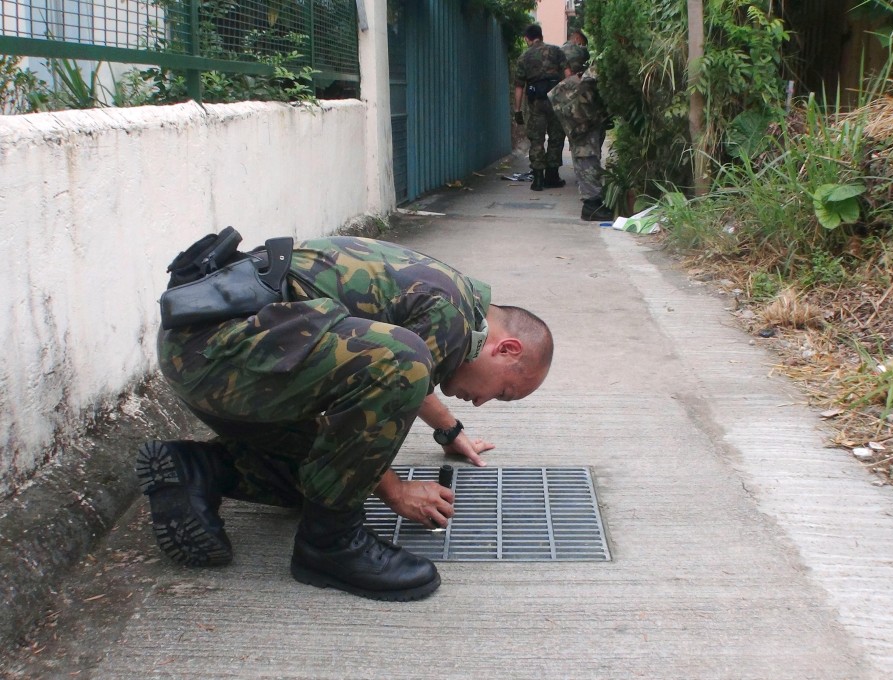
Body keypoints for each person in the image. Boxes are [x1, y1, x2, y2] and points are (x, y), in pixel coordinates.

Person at [136, 234, 554, 603]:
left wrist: (449, 429)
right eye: (503, 392)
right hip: (223, 353)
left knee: (325, 477)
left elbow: (406, 375)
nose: (483, 403)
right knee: (396, 371)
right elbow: (401, 369)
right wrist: (396, 492)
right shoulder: (454, 318)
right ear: (507, 349)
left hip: (202, 350)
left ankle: (197, 470)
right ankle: (331, 545)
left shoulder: (452, 299)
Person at [549, 48, 613, 221]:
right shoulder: (599, 69)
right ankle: (591, 206)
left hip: (584, 113)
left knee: (588, 155)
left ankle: (594, 202)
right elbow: (588, 81)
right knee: (586, 156)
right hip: (579, 113)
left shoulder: (599, 68)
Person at [513, 24, 567, 192]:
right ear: (541, 36)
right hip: (556, 100)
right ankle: (552, 176)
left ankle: (537, 179)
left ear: (527, 39)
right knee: (556, 137)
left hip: (536, 102)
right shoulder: (556, 51)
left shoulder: (524, 57)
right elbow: (568, 74)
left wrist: (517, 110)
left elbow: (519, 87)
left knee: (537, 139)